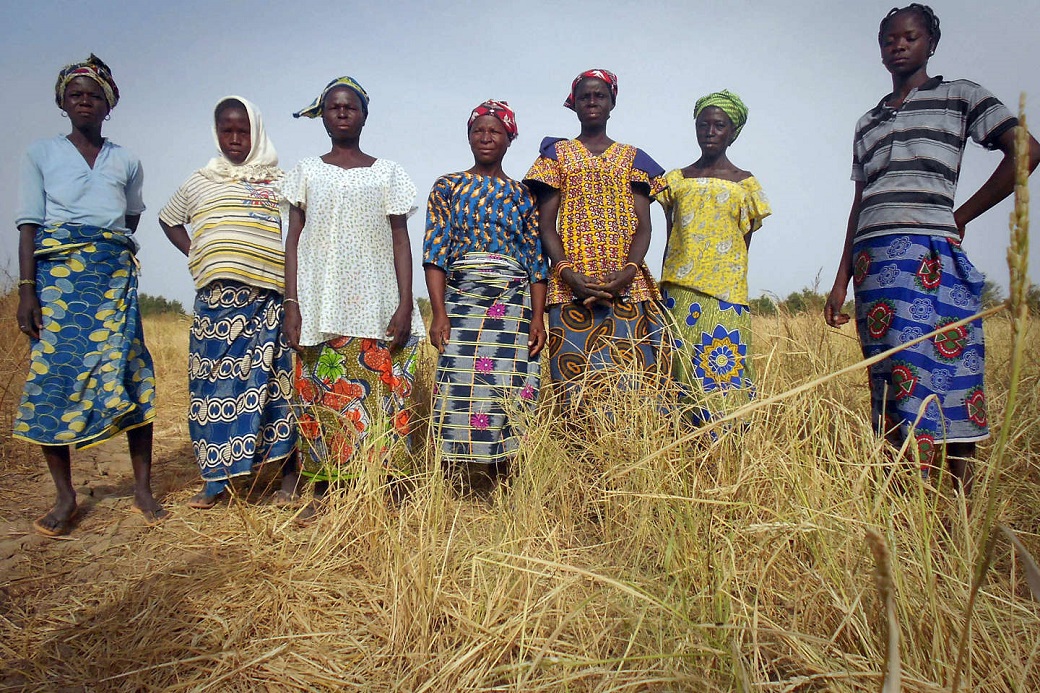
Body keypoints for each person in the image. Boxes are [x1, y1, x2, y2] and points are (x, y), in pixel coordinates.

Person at [824, 4, 1040, 493]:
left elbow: (1025, 150)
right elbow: (861, 201)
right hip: (873, 261)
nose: (898, 46)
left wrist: (960, 216)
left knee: (948, 373)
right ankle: (906, 504)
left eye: (910, 37)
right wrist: (842, 280)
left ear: (931, 44)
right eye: (889, 40)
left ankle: (955, 505)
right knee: (891, 380)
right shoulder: (868, 121)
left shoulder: (960, 96)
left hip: (929, 254)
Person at [13, 54, 166, 535]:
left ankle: (142, 489)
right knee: (54, 378)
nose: (85, 100)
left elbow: (130, 218)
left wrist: (103, 249)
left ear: (108, 105)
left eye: (94, 94)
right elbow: (28, 225)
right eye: (76, 93)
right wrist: (26, 291)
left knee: (131, 369)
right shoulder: (40, 154)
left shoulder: (127, 161)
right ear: (63, 101)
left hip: (112, 279)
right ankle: (65, 496)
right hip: (57, 281)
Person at [281, 76, 425, 522]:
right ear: (322, 116)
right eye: (333, 107)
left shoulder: (389, 172)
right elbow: (294, 239)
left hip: (376, 303)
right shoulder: (305, 170)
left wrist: (405, 303)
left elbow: (401, 240)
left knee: (383, 397)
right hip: (321, 303)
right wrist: (291, 302)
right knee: (320, 396)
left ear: (365, 114)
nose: (342, 113)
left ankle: (381, 487)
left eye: (351, 107)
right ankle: (325, 492)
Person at [159, 96, 299, 509]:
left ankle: (287, 477)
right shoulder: (200, 180)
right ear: (216, 132)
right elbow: (168, 219)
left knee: (276, 388)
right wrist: (198, 252)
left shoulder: (279, 181)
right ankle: (215, 482)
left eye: (243, 131)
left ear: (256, 132)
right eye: (227, 130)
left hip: (267, 302)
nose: (235, 139)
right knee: (211, 390)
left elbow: (296, 233)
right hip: (215, 306)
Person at [423, 100, 548, 493]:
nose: (486, 137)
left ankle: (503, 476)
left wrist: (537, 317)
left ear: (510, 139)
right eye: (478, 130)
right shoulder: (447, 186)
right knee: (457, 384)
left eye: (495, 131)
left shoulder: (523, 195)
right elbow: (435, 252)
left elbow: (535, 261)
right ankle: (452, 478)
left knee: (511, 387)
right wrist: (439, 312)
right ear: (468, 136)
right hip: (461, 299)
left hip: (512, 305)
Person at [524, 69, 670, 401]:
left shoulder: (634, 158)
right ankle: (577, 452)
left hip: (626, 285)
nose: (592, 101)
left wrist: (628, 273)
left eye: (600, 96)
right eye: (585, 96)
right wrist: (567, 273)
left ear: (612, 103)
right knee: (574, 387)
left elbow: (643, 226)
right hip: (570, 286)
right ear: (574, 104)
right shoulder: (556, 156)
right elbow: (546, 225)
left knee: (634, 385)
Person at [657, 90, 771, 423]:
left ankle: (727, 451)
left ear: (733, 132)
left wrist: (723, 279)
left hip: (726, 296)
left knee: (725, 373)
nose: (710, 131)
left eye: (719, 125)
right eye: (703, 124)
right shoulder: (675, 181)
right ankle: (682, 451)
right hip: (678, 292)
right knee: (679, 377)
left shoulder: (745, 184)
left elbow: (743, 244)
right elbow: (670, 236)